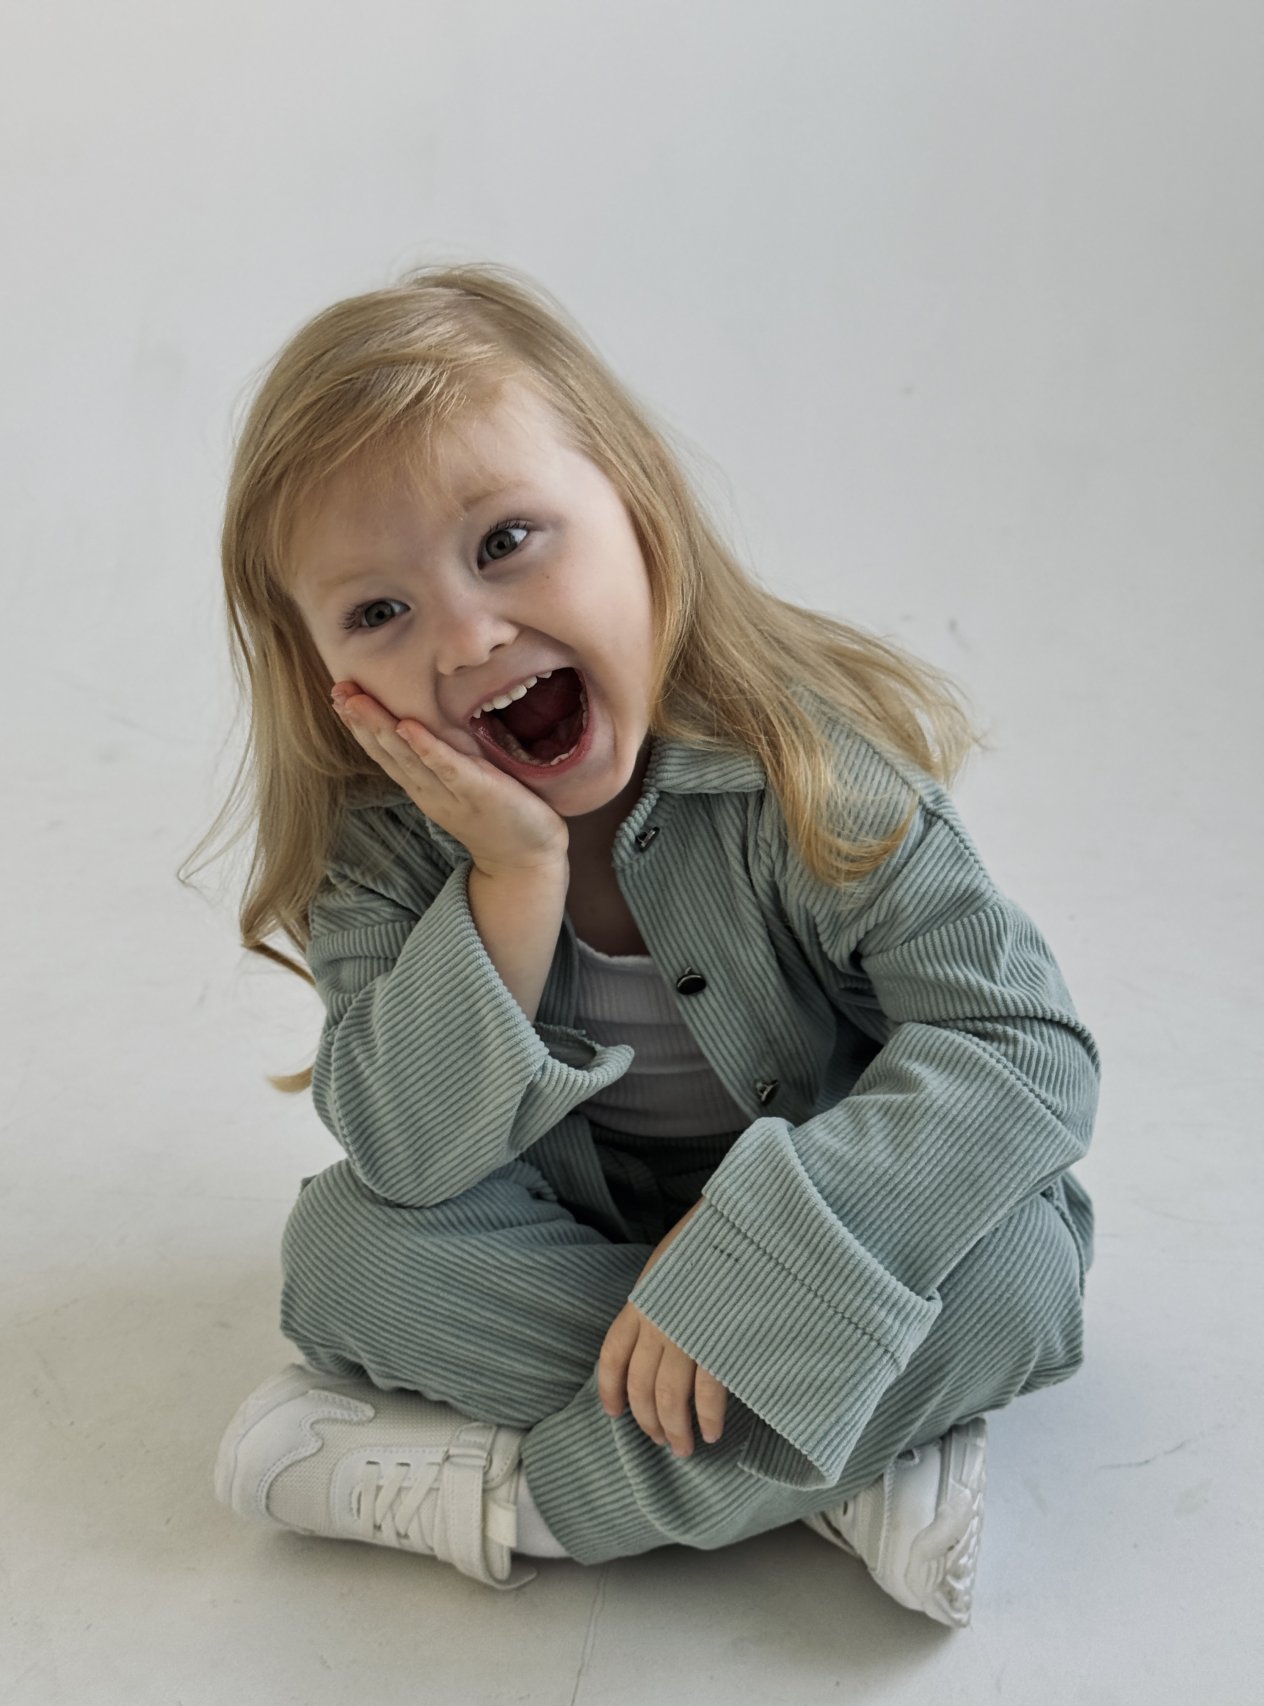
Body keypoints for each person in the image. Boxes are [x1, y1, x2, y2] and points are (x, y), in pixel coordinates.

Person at [191, 261, 1098, 1627]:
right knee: (347, 1256)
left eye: (506, 540)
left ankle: (520, 1504)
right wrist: (509, 876)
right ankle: (843, 1447)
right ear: (332, 683)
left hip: (831, 1214)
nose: (468, 634)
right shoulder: (381, 847)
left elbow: (1024, 1049)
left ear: (637, 509)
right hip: (584, 1232)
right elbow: (405, 1153)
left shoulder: (805, 767)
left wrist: (761, 1262)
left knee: (1024, 1272)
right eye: (379, 611)